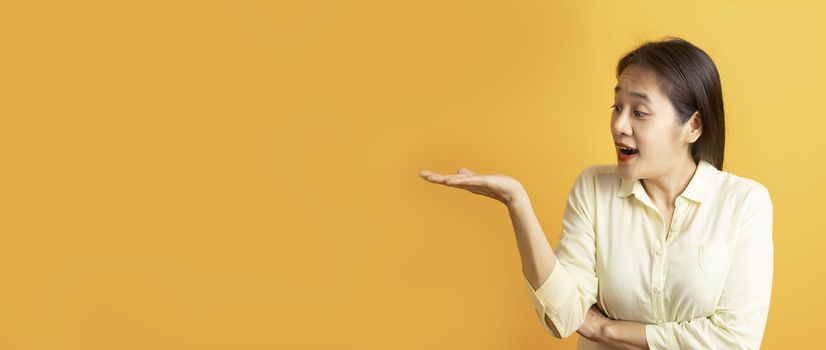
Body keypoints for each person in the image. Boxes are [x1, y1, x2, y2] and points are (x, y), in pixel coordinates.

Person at [418, 37, 773, 350]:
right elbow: (564, 317)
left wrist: (608, 329)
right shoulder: (593, 189)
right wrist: (517, 202)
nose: (619, 125)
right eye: (617, 107)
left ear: (692, 126)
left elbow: (735, 341)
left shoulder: (744, 204)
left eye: (640, 111)